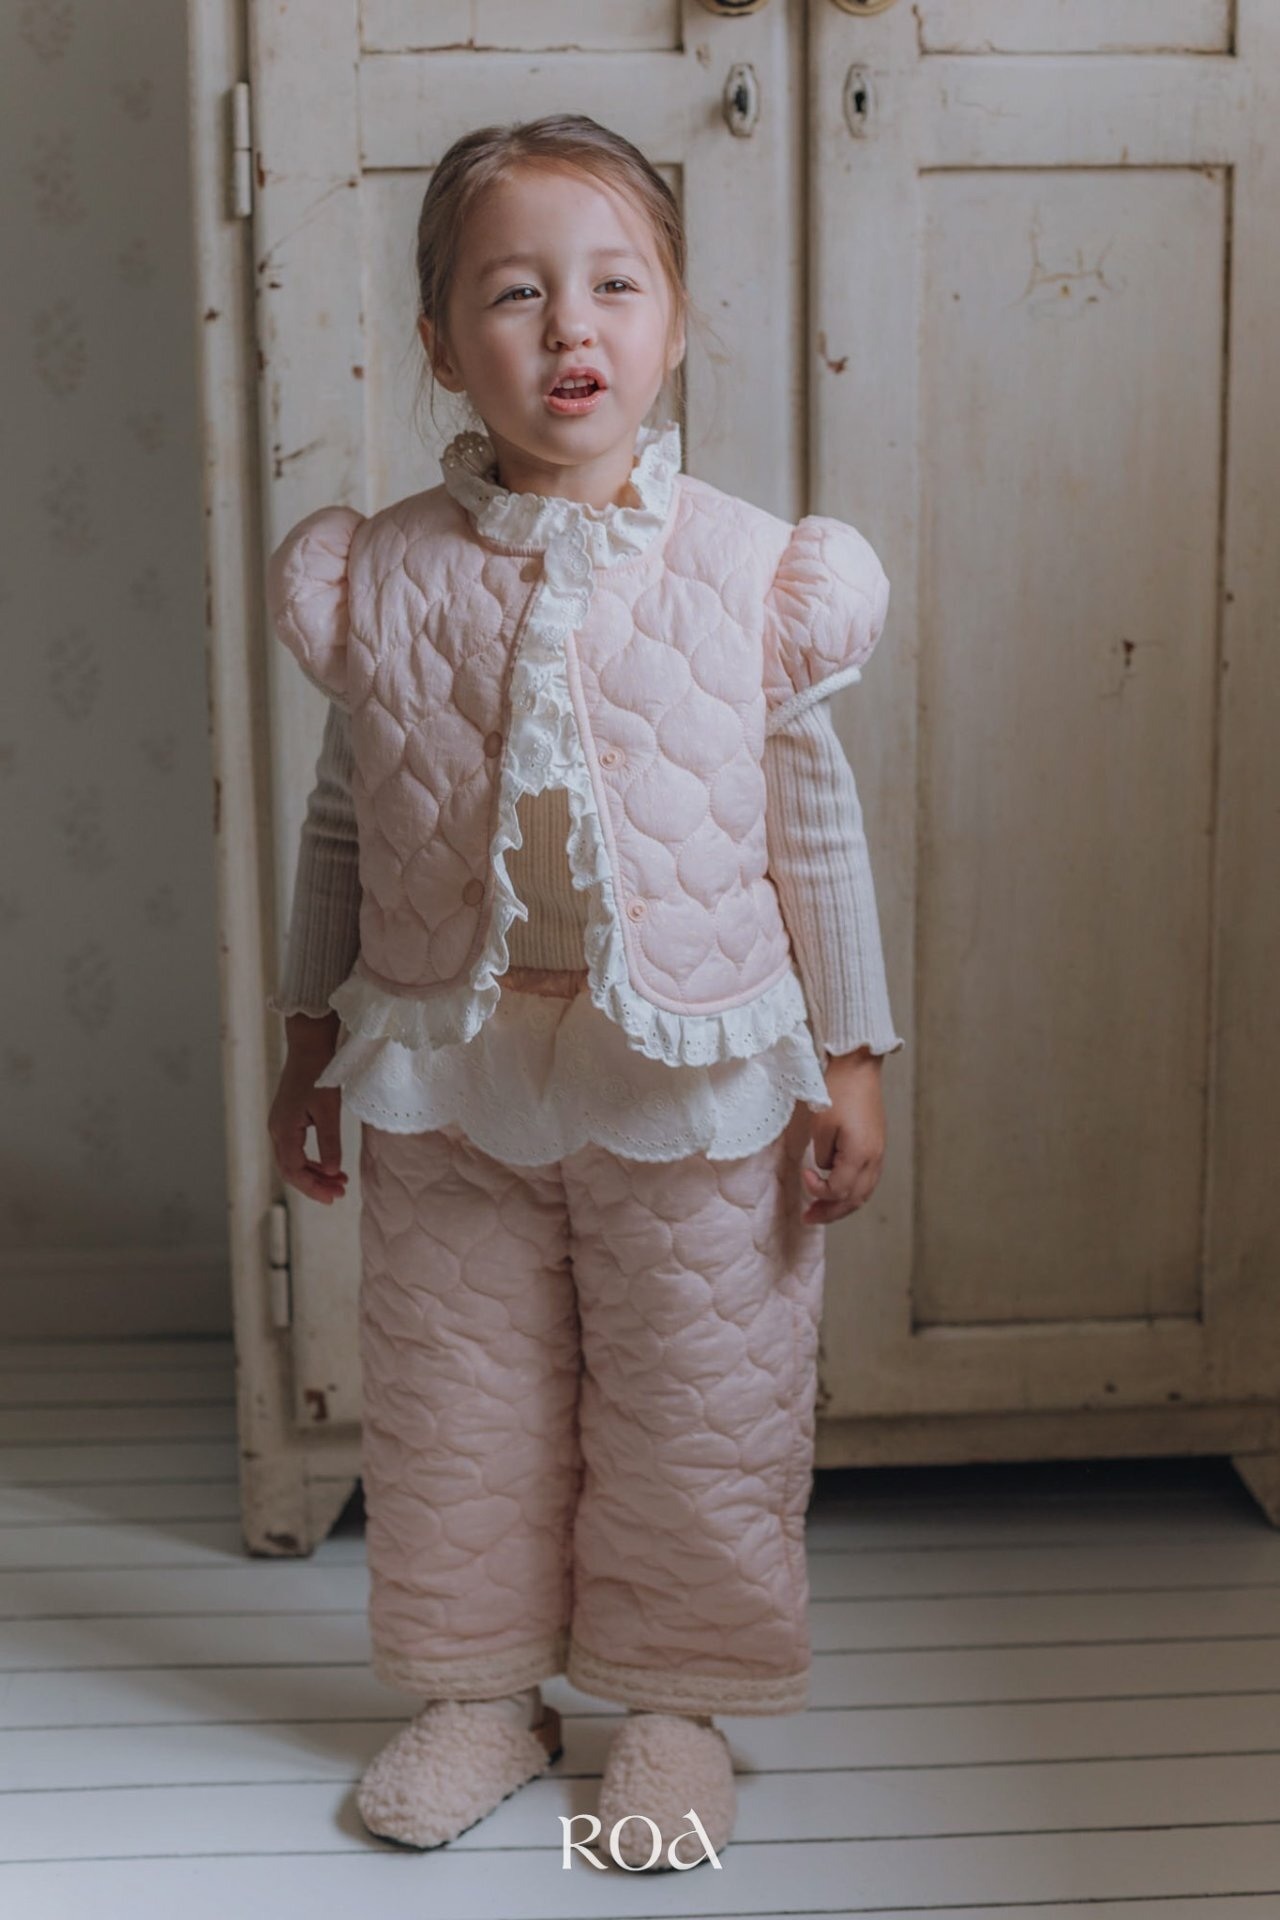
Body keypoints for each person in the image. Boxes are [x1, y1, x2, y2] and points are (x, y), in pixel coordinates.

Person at [265, 112, 903, 1872]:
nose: (571, 328)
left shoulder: (750, 571)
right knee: (453, 1395)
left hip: (690, 1073)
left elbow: (815, 830)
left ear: (676, 323)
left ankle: (674, 1703)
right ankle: (481, 1690)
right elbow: (342, 827)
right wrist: (308, 1041)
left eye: (616, 285)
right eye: (515, 293)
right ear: (439, 344)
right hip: (446, 1065)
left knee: (704, 1396)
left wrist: (852, 1059)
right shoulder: (384, 575)